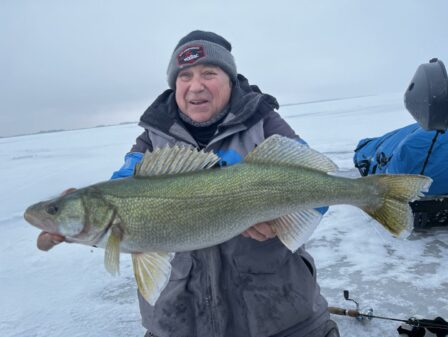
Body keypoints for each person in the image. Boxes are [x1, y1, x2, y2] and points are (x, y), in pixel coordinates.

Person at [37, 30, 340, 337]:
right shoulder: (152, 137)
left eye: (209, 73)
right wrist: (72, 219)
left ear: (230, 80)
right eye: (184, 76)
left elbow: (319, 187)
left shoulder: (264, 122)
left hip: (283, 316)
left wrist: (281, 223)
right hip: (182, 322)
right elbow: (124, 182)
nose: (196, 86)